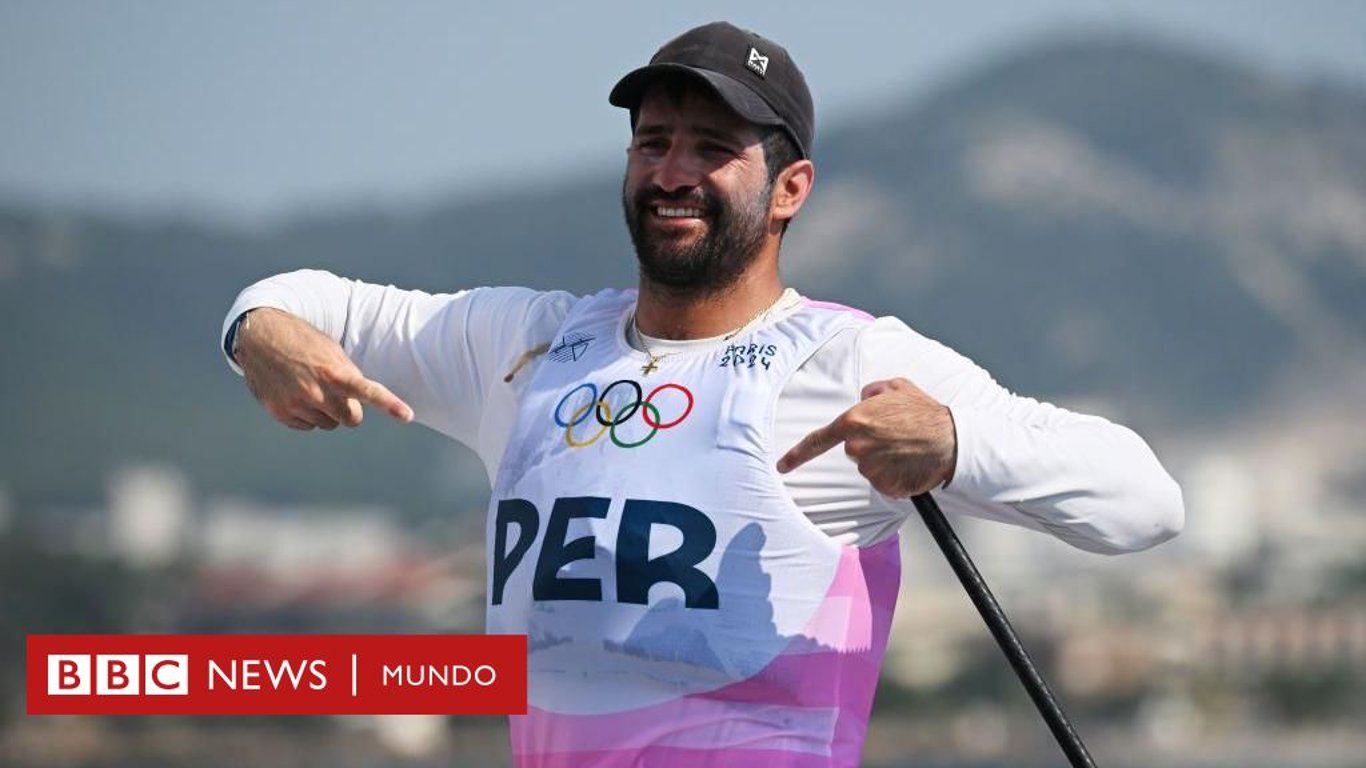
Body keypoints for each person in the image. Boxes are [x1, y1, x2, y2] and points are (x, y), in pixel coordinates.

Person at [221, 21, 1183, 768]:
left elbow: (1146, 502)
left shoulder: (847, 361)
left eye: (711, 148)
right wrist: (255, 333)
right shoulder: (531, 344)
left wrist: (954, 443)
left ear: (789, 188)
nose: (672, 174)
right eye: (653, 143)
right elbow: (303, 303)